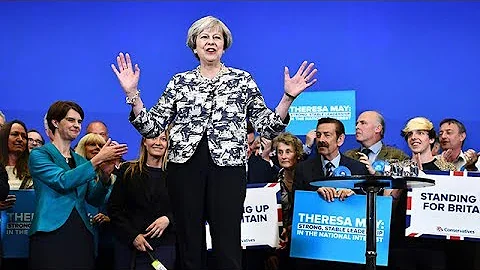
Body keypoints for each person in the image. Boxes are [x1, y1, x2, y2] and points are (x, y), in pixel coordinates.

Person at [111, 15, 317, 270]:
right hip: (184, 168)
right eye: (204, 37)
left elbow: (267, 126)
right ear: (194, 45)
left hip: (228, 169)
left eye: (216, 37)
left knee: (227, 242)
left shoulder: (242, 80)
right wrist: (132, 94)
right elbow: (151, 126)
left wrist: (287, 98)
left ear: (224, 45)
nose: (211, 42)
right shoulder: (179, 82)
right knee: (188, 241)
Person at [28, 101, 128, 270]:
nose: (76, 125)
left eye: (79, 122)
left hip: (81, 231)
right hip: (50, 231)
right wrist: (97, 160)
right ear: (55, 122)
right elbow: (62, 181)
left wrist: (105, 175)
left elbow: (94, 199)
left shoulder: (80, 160)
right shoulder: (40, 154)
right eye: (71, 120)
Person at [293, 117, 368, 270]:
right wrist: (315, 193)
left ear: (340, 139)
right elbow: (295, 202)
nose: (321, 140)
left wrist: (354, 195)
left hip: (347, 251)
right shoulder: (303, 169)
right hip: (313, 251)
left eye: (327, 135)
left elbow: (367, 206)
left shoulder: (358, 169)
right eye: (319, 135)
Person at [388, 117, 455, 270]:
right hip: (400, 243)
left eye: (420, 133)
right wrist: (402, 184)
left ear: (431, 139)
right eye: (410, 134)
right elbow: (387, 206)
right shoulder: (396, 167)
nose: (414, 138)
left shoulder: (447, 169)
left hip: (434, 244)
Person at [108, 130, 176, 270]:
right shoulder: (128, 171)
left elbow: (187, 209)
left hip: (165, 247)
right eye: (153, 138)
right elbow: (114, 209)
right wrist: (133, 236)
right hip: (130, 247)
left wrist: (168, 219)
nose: (158, 143)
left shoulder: (176, 175)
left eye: (163, 139)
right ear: (144, 142)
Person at [76, 133, 116, 270]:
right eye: (92, 144)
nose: (97, 148)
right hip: (80, 234)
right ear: (82, 148)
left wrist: (109, 218)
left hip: (107, 238)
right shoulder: (74, 175)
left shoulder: (112, 178)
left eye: (100, 145)